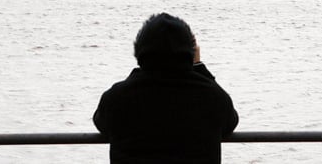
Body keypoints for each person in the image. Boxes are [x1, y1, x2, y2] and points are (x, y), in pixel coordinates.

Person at [93, 13, 238, 163]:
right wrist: (199, 67)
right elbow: (230, 123)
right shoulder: (213, 98)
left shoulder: (117, 98)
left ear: (139, 51)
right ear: (190, 53)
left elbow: (101, 123)